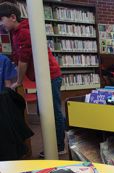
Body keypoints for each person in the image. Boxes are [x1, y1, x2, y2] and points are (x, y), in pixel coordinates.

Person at [0, 2, 65, 157]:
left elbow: (24, 60)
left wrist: (19, 81)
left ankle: (59, 146)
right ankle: (60, 136)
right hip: (44, 77)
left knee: (52, 112)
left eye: (1, 19)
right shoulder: (17, 32)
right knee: (45, 111)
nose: (0, 24)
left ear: (13, 17)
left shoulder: (24, 32)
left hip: (51, 76)